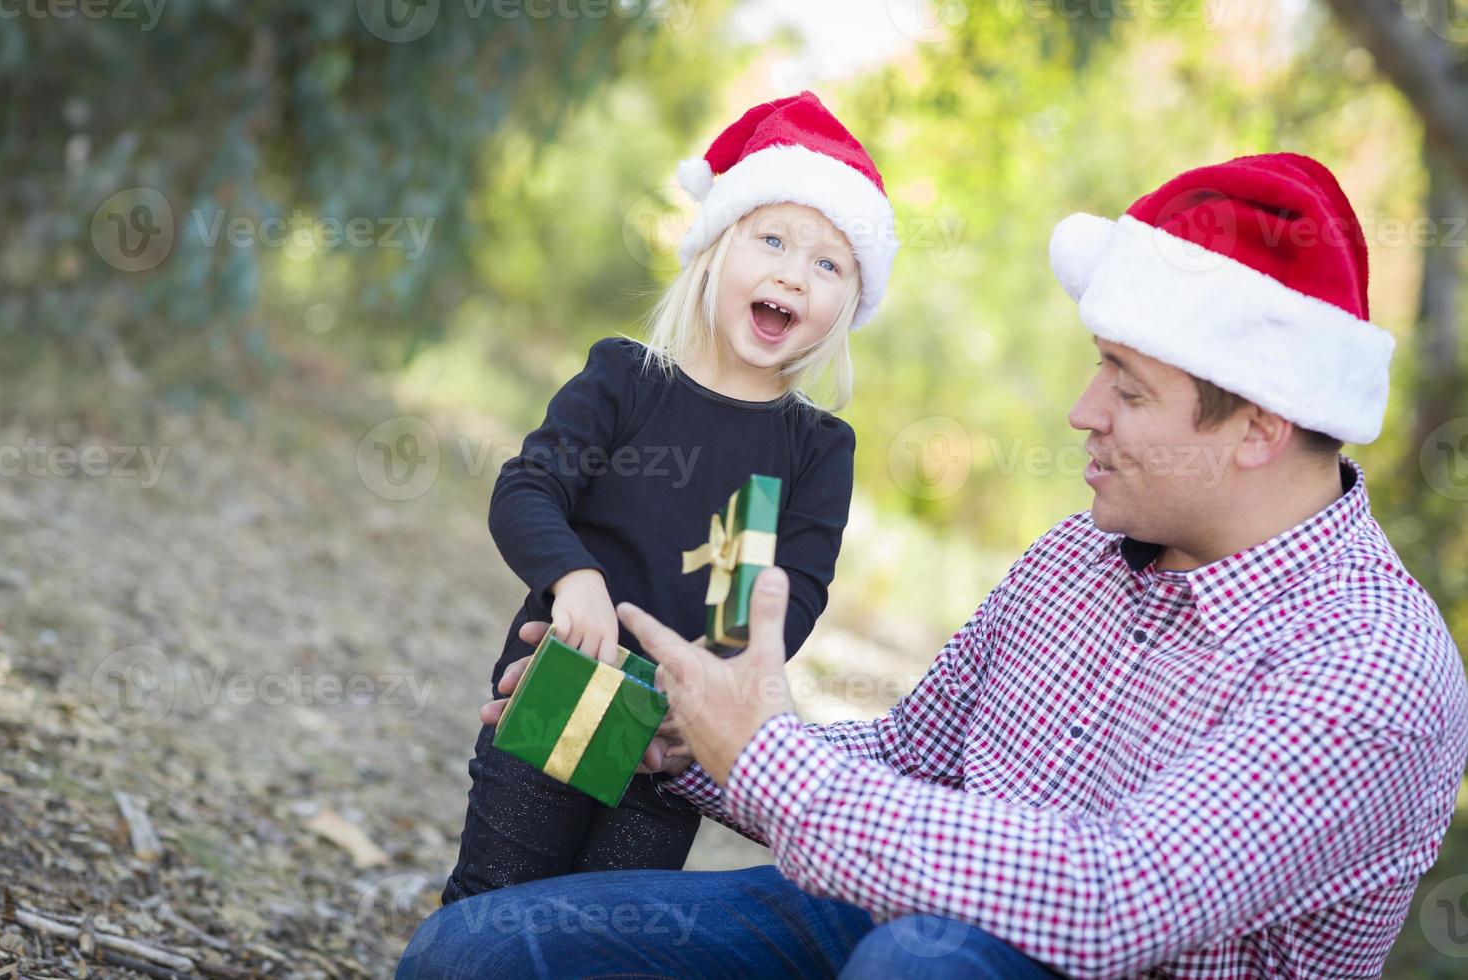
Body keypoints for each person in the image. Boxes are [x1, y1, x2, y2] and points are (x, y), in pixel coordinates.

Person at [406, 154, 1468, 977]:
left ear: (1259, 428)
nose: (1082, 413)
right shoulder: (1080, 556)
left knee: (920, 962)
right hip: (900, 916)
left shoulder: (1372, 662)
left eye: (1128, 389)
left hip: (1018, 955)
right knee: (484, 952)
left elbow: (1119, 895)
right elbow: (911, 758)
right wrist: (685, 740)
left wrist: (769, 760)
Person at [439, 91, 900, 904]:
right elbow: (528, 488)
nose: (794, 271)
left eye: (829, 263)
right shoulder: (625, 380)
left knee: (605, 932)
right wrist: (573, 577)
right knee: (496, 901)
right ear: (716, 249)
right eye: (773, 239)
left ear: (845, 307)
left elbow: (794, 594)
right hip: (565, 678)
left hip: (670, 732)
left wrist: (720, 689)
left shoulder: (817, 450)